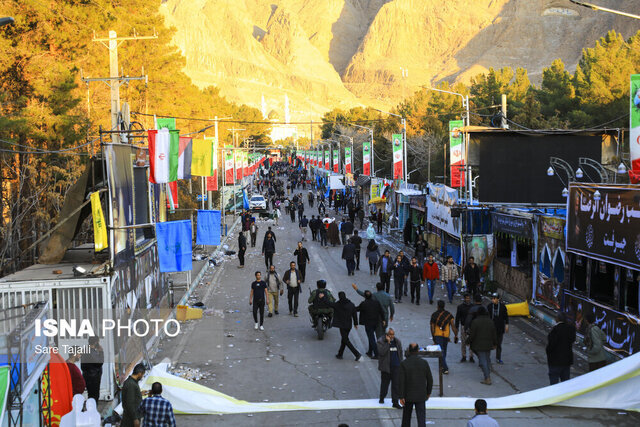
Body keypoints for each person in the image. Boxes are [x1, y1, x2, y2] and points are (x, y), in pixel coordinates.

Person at [399, 343, 433, 427]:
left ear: (409, 351)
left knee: (406, 419)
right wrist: (428, 392)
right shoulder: (424, 363)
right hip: (421, 395)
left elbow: (401, 381)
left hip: (408, 395)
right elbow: (430, 380)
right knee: (421, 419)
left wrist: (401, 396)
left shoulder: (404, 363)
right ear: (418, 351)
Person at [468, 306, 497, 385]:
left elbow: (472, 334)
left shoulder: (475, 322)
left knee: (482, 361)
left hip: (478, 345)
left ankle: (487, 378)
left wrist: (468, 341)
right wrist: (495, 343)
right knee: (487, 359)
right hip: (488, 344)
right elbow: (494, 333)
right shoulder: (490, 321)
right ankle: (488, 375)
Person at [546, 312, 576, 385]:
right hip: (566, 361)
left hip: (555, 362)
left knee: (554, 383)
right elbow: (572, 340)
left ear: (557, 319)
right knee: (565, 383)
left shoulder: (555, 330)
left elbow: (551, 346)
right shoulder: (570, 329)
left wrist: (548, 353)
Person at [430, 300, 458, 375]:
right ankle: (442, 365)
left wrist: (433, 337)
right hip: (446, 336)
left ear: (437, 306)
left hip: (438, 335)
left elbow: (432, 327)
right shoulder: (449, 315)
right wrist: (456, 335)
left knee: (441, 352)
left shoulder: (434, 315)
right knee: (444, 351)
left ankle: (445, 368)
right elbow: (453, 326)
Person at [377, 328, 403, 408]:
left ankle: (395, 402)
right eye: (390, 335)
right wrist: (388, 343)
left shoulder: (397, 341)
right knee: (385, 384)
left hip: (396, 366)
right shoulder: (381, 341)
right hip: (386, 367)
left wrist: (400, 363)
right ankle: (382, 397)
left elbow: (400, 352)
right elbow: (381, 352)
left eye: (393, 334)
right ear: (386, 335)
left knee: (396, 385)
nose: (392, 336)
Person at [332, 291, 362, 361]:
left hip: (342, 325)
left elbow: (330, 304)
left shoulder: (338, 304)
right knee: (344, 339)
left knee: (345, 340)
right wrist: (355, 323)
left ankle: (357, 354)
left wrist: (323, 298)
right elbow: (354, 314)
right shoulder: (351, 304)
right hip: (348, 325)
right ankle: (340, 354)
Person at [357, 290, 386, 359]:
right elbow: (381, 311)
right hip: (375, 322)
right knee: (371, 336)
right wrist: (383, 320)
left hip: (368, 323)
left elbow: (357, 309)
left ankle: (376, 353)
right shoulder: (376, 303)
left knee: (371, 338)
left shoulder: (364, 304)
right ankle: (370, 351)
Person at [487, 293, 509, 364]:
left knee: (499, 344)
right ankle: (487, 358)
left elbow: (506, 317)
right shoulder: (489, 306)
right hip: (491, 328)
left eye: (494, 298)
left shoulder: (502, 307)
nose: (493, 300)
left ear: (498, 299)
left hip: (500, 328)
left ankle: (498, 358)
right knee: (489, 344)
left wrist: (506, 325)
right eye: (492, 298)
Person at [121, 363, 146, 427]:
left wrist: (139, 394)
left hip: (130, 416)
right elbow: (130, 403)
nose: (142, 377)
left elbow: (130, 396)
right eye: (143, 375)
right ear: (140, 373)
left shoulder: (131, 382)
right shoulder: (131, 384)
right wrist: (135, 419)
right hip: (130, 419)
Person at [81, 336, 104, 402]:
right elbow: (99, 363)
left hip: (87, 375)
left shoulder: (85, 350)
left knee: (90, 395)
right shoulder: (92, 352)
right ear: (96, 342)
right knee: (94, 395)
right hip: (94, 377)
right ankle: (93, 410)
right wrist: (101, 352)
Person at [455, 293, 473, 363]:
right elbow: (457, 318)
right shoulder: (460, 307)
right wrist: (456, 327)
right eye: (467, 298)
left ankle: (471, 356)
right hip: (463, 326)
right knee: (463, 341)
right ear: (464, 299)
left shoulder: (472, 306)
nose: (468, 299)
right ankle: (464, 356)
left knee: (471, 341)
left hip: (471, 326)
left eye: (469, 298)